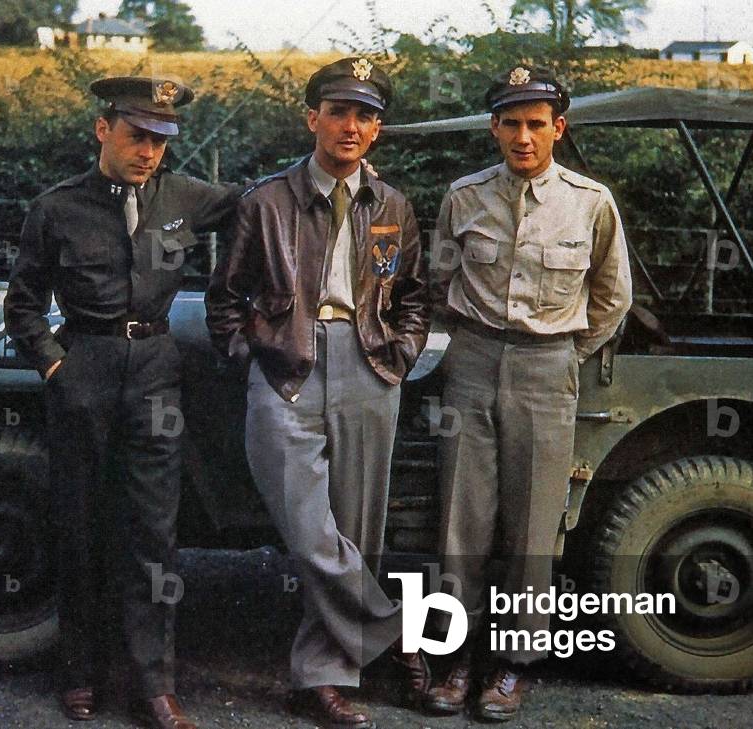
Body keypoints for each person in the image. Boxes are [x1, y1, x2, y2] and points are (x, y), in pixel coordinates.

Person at [4, 75, 241, 729]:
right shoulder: (56, 208)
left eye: (162, 141)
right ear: (103, 130)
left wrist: (233, 298)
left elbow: (258, 211)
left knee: (154, 535)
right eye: (137, 136)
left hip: (157, 373)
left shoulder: (188, 196)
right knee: (79, 525)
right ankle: (79, 673)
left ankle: (153, 685)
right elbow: (22, 304)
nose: (149, 153)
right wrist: (56, 364)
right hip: (86, 367)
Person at [205, 57, 432, 729]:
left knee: (355, 532)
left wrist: (401, 355)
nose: (351, 126)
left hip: (368, 366)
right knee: (310, 532)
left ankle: (322, 677)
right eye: (338, 111)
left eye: (365, 115)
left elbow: (413, 295)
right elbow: (225, 298)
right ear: (313, 118)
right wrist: (253, 353)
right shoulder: (267, 200)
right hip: (289, 369)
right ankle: (404, 635)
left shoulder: (391, 206)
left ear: (377, 130)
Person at [425, 66, 632, 721]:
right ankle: (455, 659)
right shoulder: (463, 197)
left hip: (548, 366)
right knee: (462, 519)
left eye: (536, 123)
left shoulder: (590, 201)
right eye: (510, 123)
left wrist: (566, 350)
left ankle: (511, 666)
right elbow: (436, 285)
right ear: (494, 128)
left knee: (533, 524)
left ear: (558, 129)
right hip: (473, 357)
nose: (523, 135)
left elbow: (612, 293)